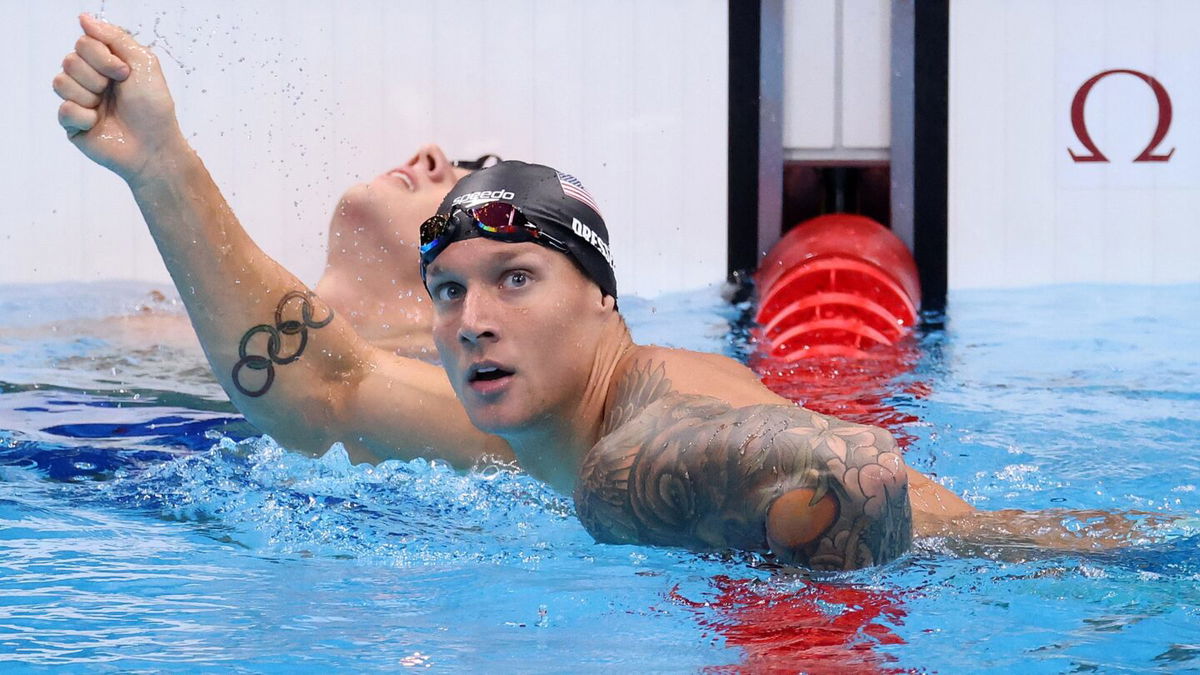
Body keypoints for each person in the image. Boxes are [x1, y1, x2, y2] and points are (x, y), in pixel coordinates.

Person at [53, 15, 1141, 570]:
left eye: (514, 280)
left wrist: (776, 524)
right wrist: (159, 163)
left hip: (1074, 582)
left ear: (604, 305)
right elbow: (318, 386)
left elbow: (850, 467)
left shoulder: (634, 449)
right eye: (448, 292)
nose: (470, 317)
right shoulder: (524, 421)